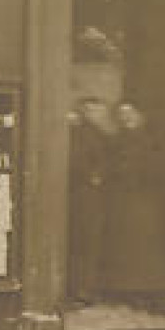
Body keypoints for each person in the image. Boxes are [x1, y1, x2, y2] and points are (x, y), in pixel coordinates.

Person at [104, 101, 165, 312]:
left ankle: (147, 290)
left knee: (145, 247)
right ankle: (126, 290)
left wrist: (138, 175)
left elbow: (158, 168)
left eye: (130, 113)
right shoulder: (116, 141)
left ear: (140, 115)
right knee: (124, 247)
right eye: (122, 114)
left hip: (144, 200)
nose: (126, 118)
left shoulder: (151, 140)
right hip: (122, 201)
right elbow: (110, 166)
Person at [67, 97, 112, 306]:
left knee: (93, 243)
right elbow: (75, 161)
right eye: (90, 110)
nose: (95, 114)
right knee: (83, 242)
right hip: (83, 194)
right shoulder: (77, 134)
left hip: (98, 196)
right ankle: (80, 290)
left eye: (98, 110)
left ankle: (89, 288)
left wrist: (102, 174)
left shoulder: (103, 135)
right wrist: (92, 175)